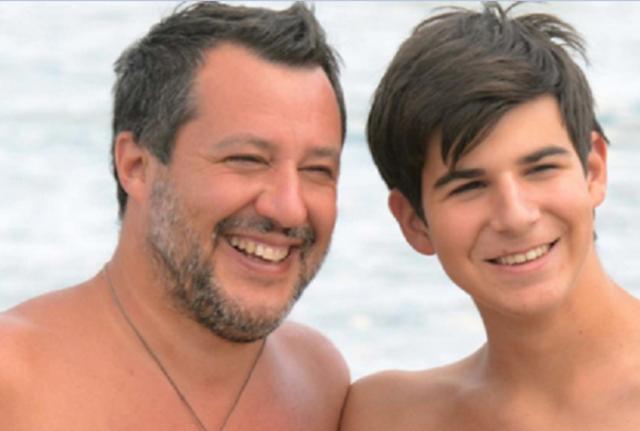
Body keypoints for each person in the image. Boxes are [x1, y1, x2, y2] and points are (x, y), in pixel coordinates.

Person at [0, 2, 350, 430]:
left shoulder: (319, 381)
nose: (289, 208)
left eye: (317, 170)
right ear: (136, 166)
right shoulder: (14, 380)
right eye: (247, 159)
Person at [341, 2, 640, 430]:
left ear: (593, 170)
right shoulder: (385, 416)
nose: (515, 216)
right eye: (469, 187)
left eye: (540, 169)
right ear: (414, 222)